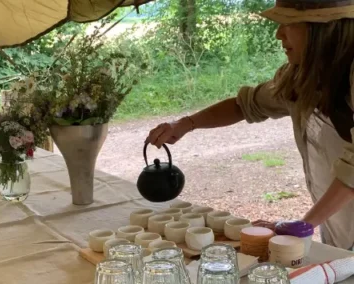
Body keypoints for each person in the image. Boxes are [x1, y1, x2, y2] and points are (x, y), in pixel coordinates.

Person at [145, 0, 354, 250]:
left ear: (323, 29)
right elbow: (246, 105)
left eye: (289, 24)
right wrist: (185, 124)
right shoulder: (303, 76)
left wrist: (302, 225)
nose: (278, 34)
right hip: (340, 226)